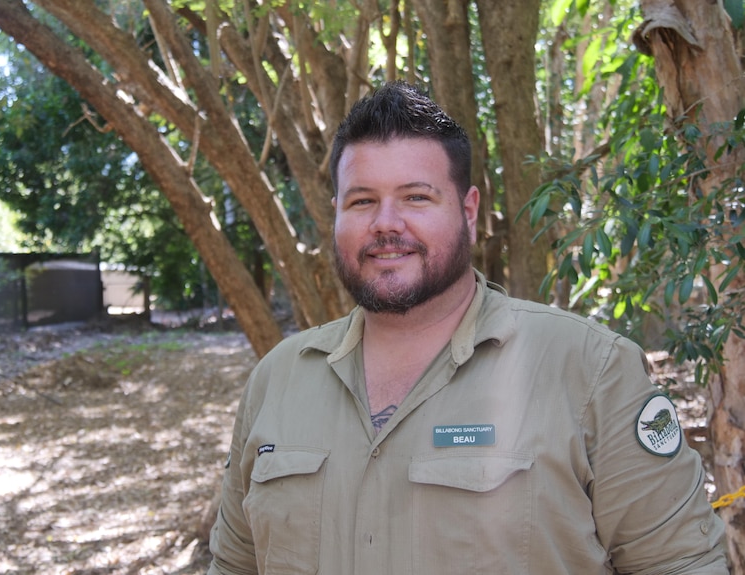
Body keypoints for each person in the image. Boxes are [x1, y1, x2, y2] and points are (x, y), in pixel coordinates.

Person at [206, 81, 729, 574]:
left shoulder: (590, 372)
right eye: (362, 200)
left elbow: (682, 563)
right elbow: (233, 565)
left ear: (469, 210)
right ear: (337, 213)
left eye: (416, 197)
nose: (386, 222)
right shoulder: (277, 382)